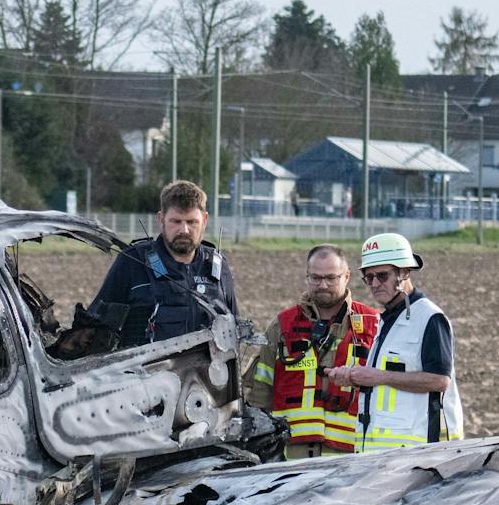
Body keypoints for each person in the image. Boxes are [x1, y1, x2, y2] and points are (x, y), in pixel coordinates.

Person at [325, 232, 463, 451]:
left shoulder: (429, 317)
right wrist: (357, 377)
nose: (375, 284)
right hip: (383, 451)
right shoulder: (388, 318)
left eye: (382, 276)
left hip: (418, 452)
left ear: (405, 272)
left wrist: (378, 377)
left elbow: (439, 380)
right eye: (368, 278)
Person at [246, 244, 380, 458]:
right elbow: (261, 389)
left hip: (352, 457)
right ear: (307, 276)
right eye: (315, 278)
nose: (323, 285)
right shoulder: (283, 325)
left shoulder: (373, 325)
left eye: (331, 278)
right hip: (291, 455)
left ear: (346, 277)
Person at [87, 180, 237, 346]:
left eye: (192, 222)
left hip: (207, 371)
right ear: (161, 219)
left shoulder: (218, 268)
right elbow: (95, 327)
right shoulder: (133, 263)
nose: (184, 230)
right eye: (176, 221)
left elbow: (233, 332)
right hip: (145, 371)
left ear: (205, 220)